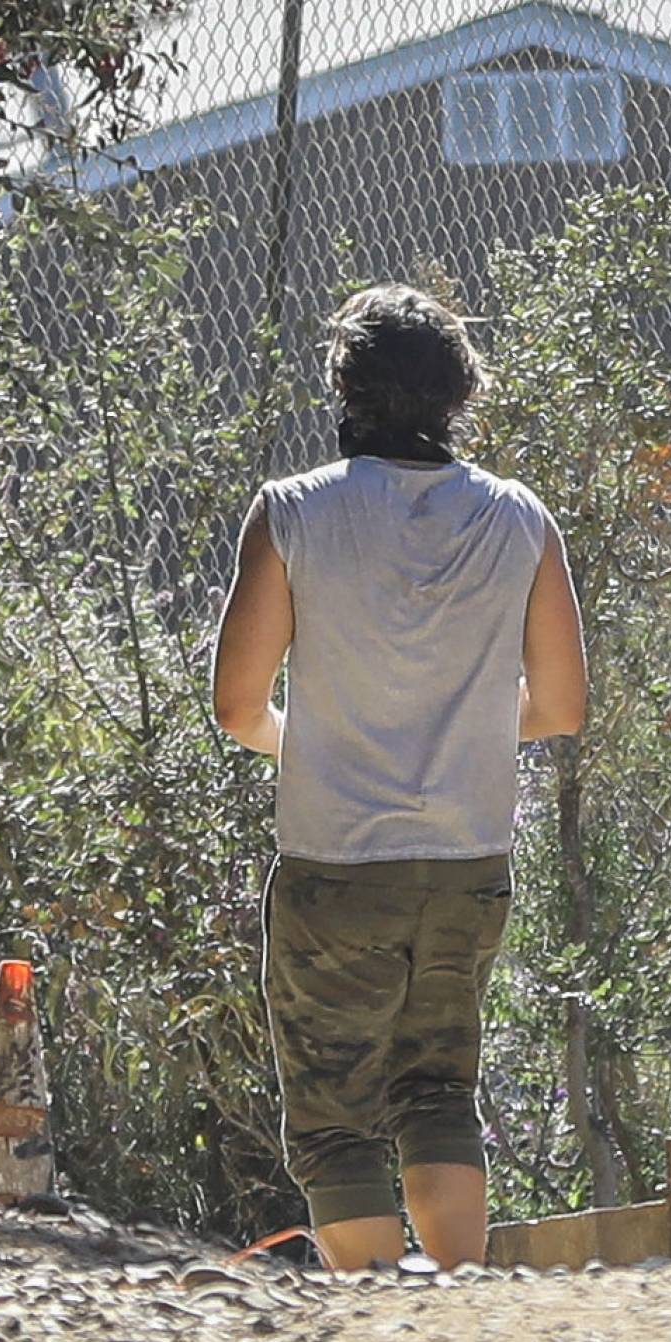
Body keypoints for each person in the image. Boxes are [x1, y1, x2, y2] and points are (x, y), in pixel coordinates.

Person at [212, 284, 586, 1271]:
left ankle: (383, 1333)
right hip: (468, 860)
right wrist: (454, 726)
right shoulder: (519, 518)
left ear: (346, 386)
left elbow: (238, 706)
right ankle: (457, 1311)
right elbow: (561, 704)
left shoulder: (292, 512)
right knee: (438, 1090)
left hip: (339, 860)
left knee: (337, 1113)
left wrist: (326, 737)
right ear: (460, 391)